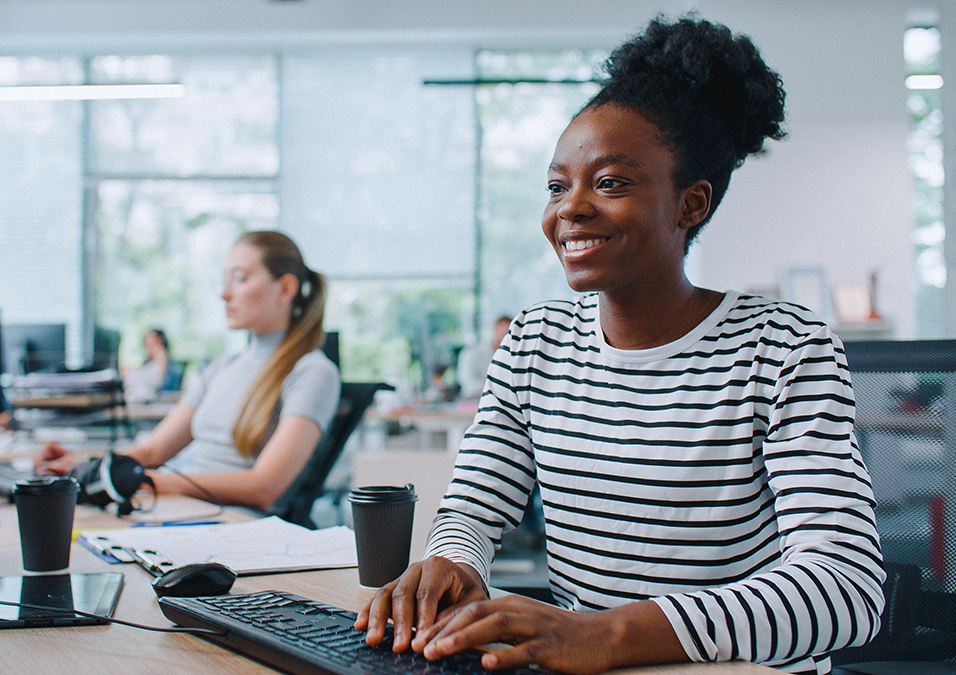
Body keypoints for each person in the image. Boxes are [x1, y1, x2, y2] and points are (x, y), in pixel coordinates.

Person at [357, 17, 884, 675]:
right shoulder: (535, 340)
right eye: (557, 185)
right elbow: (472, 505)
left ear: (690, 204)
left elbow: (847, 589)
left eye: (609, 182)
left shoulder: (782, 347)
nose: (569, 208)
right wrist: (452, 563)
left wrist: (608, 634)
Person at [37, 231, 341, 511]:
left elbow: (265, 488)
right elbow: (153, 451)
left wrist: (144, 482)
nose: (224, 293)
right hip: (180, 507)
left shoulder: (312, 372)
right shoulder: (222, 367)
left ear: (285, 288)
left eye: (240, 278)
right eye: (223, 280)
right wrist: (88, 465)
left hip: (230, 522)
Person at [455, 315, 513, 400]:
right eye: (503, 329)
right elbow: (465, 380)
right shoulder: (473, 353)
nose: (505, 334)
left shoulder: (513, 356)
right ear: (495, 329)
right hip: (472, 400)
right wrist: (488, 389)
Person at [123, 328, 183, 401]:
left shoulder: (174, 367)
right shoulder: (147, 365)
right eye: (147, 344)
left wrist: (162, 361)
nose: (149, 349)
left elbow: (164, 389)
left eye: (153, 344)